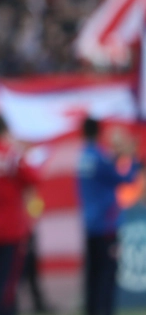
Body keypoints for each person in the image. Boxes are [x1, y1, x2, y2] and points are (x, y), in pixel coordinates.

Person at [77, 117, 141, 315]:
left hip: (90, 223)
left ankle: (92, 309)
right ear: (99, 133)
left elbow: (104, 170)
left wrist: (116, 155)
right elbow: (126, 178)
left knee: (93, 274)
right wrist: (132, 156)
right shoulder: (99, 157)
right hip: (106, 225)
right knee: (107, 274)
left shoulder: (83, 157)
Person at [0, 116, 40, 315]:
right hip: (12, 228)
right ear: (6, 130)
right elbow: (33, 178)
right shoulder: (12, 155)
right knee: (9, 285)